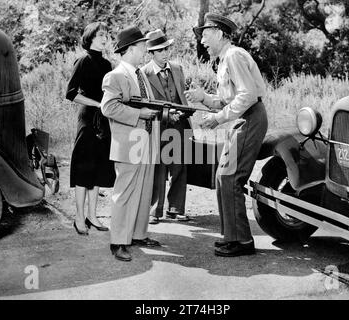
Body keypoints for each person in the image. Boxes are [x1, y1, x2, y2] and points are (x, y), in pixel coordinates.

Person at [185, 13, 268, 257]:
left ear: (220, 34)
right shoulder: (223, 60)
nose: (202, 41)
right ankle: (232, 236)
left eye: (206, 35)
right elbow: (227, 99)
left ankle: (241, 241)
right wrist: (205, 98)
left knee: (230, 177)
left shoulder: (233, 56)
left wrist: (218, 118)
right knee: (223, 177)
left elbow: (247, 95)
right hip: (242, 119)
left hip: (250, 119)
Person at [101, 26, 161, 262]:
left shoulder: (140, 74)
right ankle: (118, 242)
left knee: (145, 190)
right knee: (124, 193)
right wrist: (139, 115)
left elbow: (148, 105)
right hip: (128, 142)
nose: (145, 50)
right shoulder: (115, 76)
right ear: (131, 48)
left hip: (145, 140)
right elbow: (108, 107)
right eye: (142, 46)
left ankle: (138, 234)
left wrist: (165, 114)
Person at [65, 22, 116, 236]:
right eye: (100, 35)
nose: (104, 38)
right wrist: (97, 104)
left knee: (98, 170)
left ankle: (92, 216)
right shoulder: (83, 60)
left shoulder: (107, 64)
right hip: (87, 120)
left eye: (106, 35)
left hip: (103, 121)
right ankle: (78, 217)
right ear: (90, 38)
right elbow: (70, 93)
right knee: (83, 170)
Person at [141, 29, 192, 224]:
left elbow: (182, 96)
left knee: (180, 167)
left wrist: (184, 112)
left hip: (180, 125)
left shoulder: (177, 69)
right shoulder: (144, 73)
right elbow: (145, 104)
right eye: (160, 50)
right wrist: (165, 114)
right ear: (151, 53)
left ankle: (176, 208)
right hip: (158, 127)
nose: (165, 53)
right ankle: (155, 210)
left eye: (166, 49)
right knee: (159, 168)